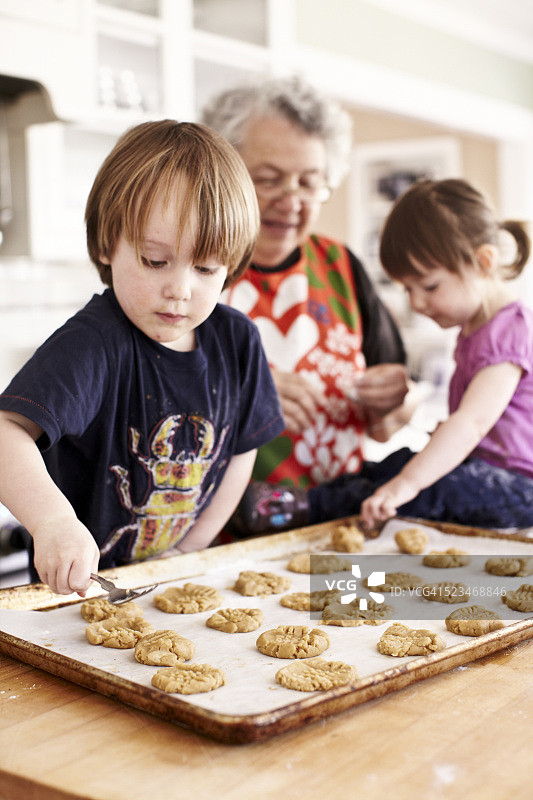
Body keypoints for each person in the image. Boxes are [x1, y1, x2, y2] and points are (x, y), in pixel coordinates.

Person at [0, 120, 284, 595]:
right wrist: (53, 523)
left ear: (230, 267)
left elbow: (241, 451)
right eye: (156, 261)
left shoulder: (238, 342)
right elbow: (6, 433)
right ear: (107, 244)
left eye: (206, 267)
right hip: (78, 593)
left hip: (176, 578)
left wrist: (190, 549)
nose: (179, 289)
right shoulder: (94, 344)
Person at [235, 177, 533, 534]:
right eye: (407, 289)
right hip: (483, 471)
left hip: (518, 489)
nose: (416, 303)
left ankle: (304, 509)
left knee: (422, 486)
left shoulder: (509, 333)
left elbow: (471, 423)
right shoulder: (478, 328)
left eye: (429, 286)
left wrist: (407, 485)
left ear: (484, 262)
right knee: (396, 464)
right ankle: (294, 501)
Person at [202, 75, 412, 500]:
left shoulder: (343, 267)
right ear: (227, 173)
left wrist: (394, 403)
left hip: (336, 523)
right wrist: (245, 393)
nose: (291, 199)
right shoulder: (190, 267)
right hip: (217, 537)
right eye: (269, 178)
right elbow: (138, 404)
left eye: (308, 182)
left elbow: (388, 417)